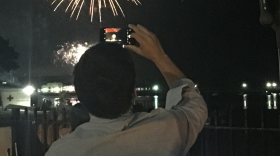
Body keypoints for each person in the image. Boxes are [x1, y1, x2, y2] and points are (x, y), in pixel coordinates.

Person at [45, 24, 208, 156]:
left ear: (80, 95)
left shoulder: (61, 151)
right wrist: (159, 56)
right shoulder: (169, 131)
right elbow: (193, 102)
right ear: (134, 93)